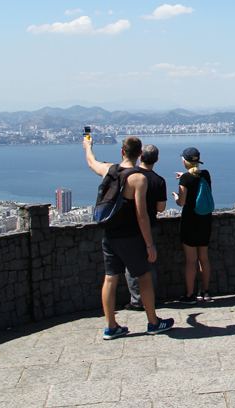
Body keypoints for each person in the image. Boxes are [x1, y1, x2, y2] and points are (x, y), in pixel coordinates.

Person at [84, 135, 174, 338]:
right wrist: (150, 245)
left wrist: (87, 146)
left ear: (122, 152)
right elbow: (141, 215)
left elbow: (91, 162)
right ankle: (153, 322)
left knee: (110, 278)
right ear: (140, 154)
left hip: (109, 235)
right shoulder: (138, 178)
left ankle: (111, 326)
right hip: (131, 236)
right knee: (144, 277)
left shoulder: (110, 170)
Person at [123, 144, 167, 311]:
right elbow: (161, 208)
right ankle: (150, 298)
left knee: (131, 264)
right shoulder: (159, 180)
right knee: (150, 262)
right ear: (156, 160)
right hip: (151, 225)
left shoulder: (129, 175)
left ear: (141, 156)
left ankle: (136, 300)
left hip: (130, 225)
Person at [173, 146, 213, 303]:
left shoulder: (185, 179)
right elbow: (197, 180)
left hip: (190, 221)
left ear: (185, 161)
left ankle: (190, 295)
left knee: (191, 260)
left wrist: (176, 196)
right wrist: (184, 176)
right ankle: (206, 292)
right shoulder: (206, 175)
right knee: (204, 258)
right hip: (205, 220)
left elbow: (181, 202)